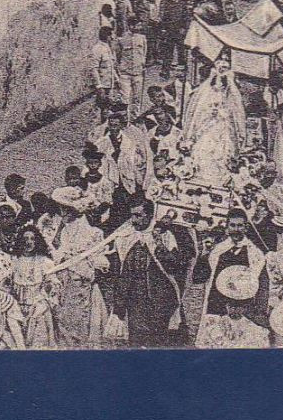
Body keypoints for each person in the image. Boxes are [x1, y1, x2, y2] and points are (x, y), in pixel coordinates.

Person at [105, 201, 195, 348]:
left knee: (158, 342)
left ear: (150, 216)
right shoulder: (126, 237)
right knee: (136, 342)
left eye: (138, 216)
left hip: (160, 300)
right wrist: (119, 304)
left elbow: (175, 266)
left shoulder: (166, 236)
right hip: (135, 300)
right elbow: (120, 272)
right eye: (132, 216)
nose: (134, 220)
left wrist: (159, 245)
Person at [48, 186, 109, 348]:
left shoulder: (92, 233)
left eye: (64, 209)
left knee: (78, 324)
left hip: (79, 285)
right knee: (63, 323)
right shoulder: (65, 230)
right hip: (63, 284)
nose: (61, 213)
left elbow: (96, 264)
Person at [183, 54, 248, 187]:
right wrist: (210, 113)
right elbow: (199, 112)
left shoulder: (231, 94)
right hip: (208, 127)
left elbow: (235, 113)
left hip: (223, 128)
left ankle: (220, 179)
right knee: (204, 149)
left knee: (222, 152)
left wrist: (223, 114)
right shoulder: (207, 92)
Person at [196, 265, 271, 348]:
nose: (233, 310)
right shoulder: (211, 324)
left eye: (238, 306)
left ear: (245, 307)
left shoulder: (257, 332)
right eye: (231, 305)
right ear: (226, 305)